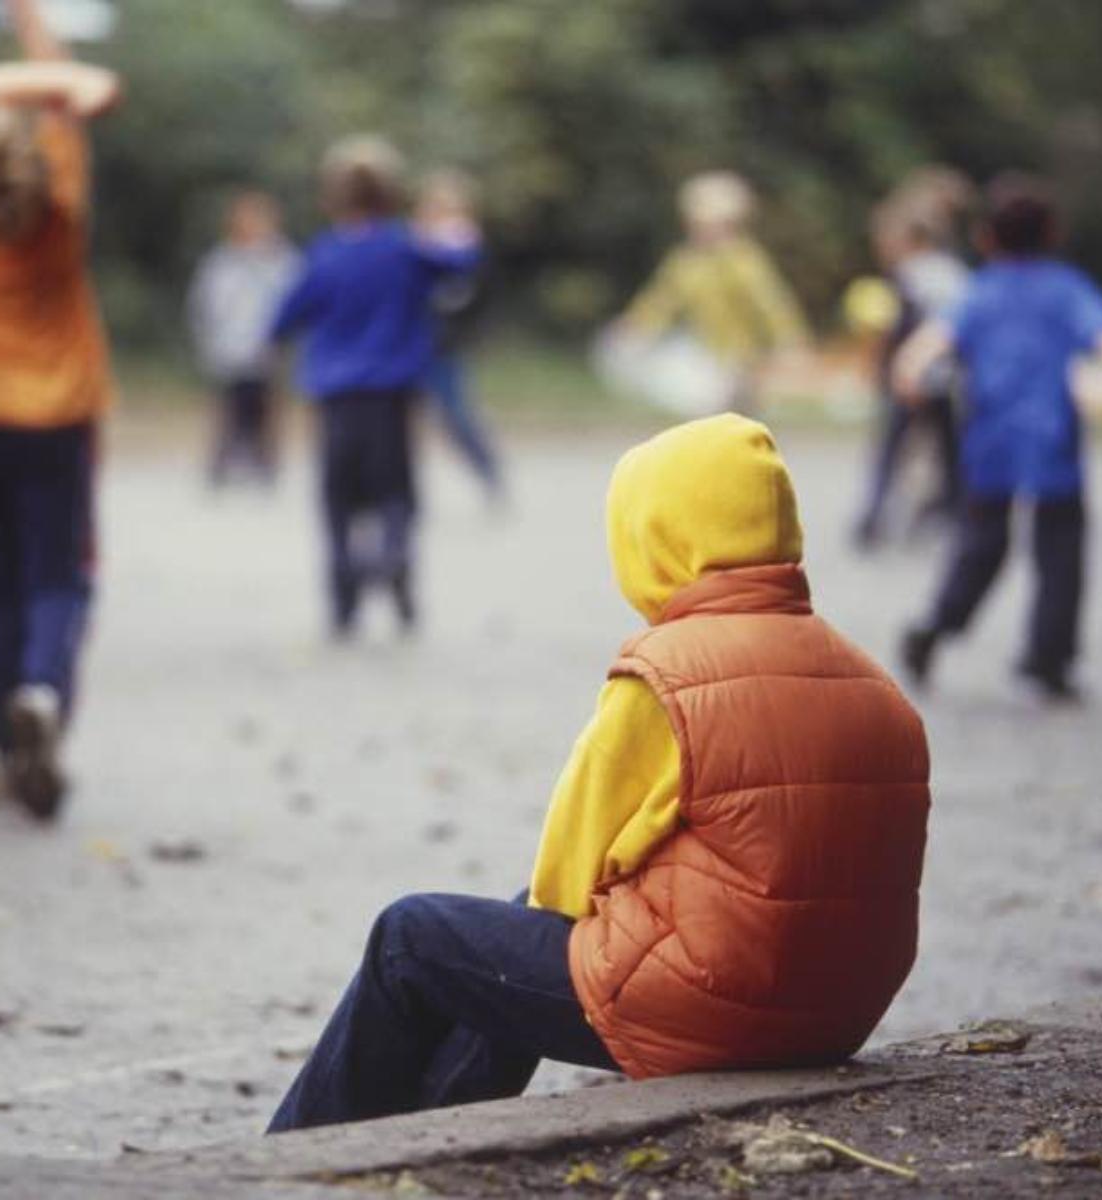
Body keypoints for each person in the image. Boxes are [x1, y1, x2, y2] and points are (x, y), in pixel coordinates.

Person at [267, 415, 930, 1132]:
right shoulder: (873, 682)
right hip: (837, 1012)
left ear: (656, 540)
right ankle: (427, 1135)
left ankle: (288, 1162)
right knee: (512, 940)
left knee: (412, 937)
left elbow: (565, 876)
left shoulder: (668, 677)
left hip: (719, 1009)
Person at [0, 0, 122, 818]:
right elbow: (83, 91)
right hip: (57, 420)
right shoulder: (59, 204)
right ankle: (41, 690)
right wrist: (30, 29)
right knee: (59, 580)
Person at [896, 175, 1102, 702]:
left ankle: (934, 628)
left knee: (981, 546)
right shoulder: (1065, 287)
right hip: (1051, 442)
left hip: (991, 441)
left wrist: (909, 378)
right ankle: (1047, 659)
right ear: (1051, 234)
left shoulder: (980, 291)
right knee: (1060, 552)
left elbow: (923, 349)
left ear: (987, 237)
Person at [270, 135, 479, 638]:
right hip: (392, 392)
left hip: (336, 395)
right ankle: (394, 556)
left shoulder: (324, 253)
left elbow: (283, 318)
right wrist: (456, 224)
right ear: (391, 193)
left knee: (338, 500)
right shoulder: (406, 247)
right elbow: (462, 262)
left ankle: (344, 601)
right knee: (396, 492)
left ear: (332, 195)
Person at [618, 170, 809, 410]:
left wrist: (790, 342)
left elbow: (771, 304)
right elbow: (662, 299)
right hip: (704, 354)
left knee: (735, 415)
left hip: (740, 358)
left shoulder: (744, 261)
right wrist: (639, 323)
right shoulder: (687, 260)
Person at [852, 198, 971, 549]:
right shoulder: (954, 273)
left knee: (892, 448)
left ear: (910, 240)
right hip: (947, 378)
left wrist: (891, 370)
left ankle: (874, 518)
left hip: (914, 377)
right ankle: (956, 511)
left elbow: (903, 329)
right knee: (949, 448)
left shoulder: (911, 276)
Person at [186, 190, 298, 487]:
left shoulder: (282, 260)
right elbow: (205, 305)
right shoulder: (221, 261)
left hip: (267, 348)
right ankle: (220, 465)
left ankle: (266, 465)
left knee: (267, 408)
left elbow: (294, 300)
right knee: (226, 408)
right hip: (228, 348)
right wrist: (209, 340)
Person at [416, 169, 502, 501]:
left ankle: (486, 469)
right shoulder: (427, 242)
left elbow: (461, 298)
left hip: (440, 344)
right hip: (421, 341)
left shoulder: (459, 245)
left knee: (453, 413)